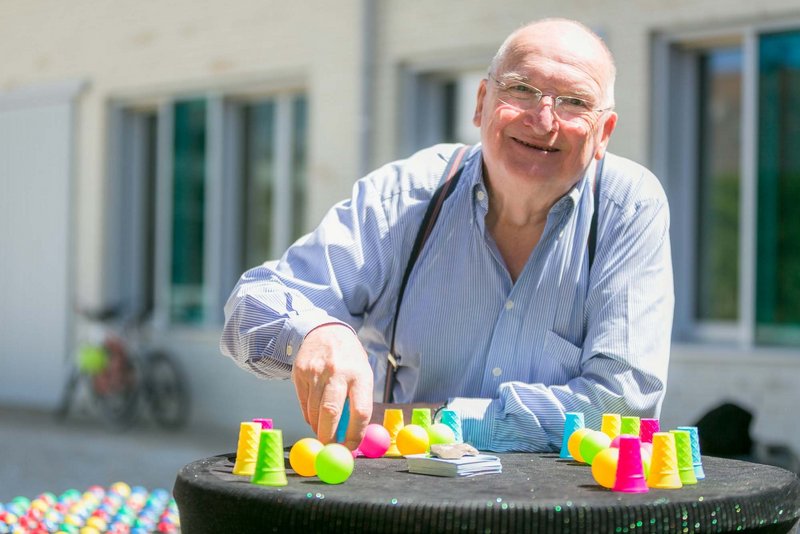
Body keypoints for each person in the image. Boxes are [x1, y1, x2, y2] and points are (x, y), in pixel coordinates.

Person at [220, 18, 674, 453]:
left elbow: (622, 405)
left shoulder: (627, 207)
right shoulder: (406, 197)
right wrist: (316, 331)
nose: (543, 118)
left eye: (574, 101)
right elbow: (248, 309)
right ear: (480, 103)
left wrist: (440, 422)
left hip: (560, 513)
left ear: (604, 134)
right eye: (521, 89)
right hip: (411, 505)